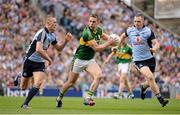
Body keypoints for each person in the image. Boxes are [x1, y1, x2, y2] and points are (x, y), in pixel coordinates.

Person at [56, 14, 116, 108]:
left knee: (99, 75)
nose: (91, 23)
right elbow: (97, 48)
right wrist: (110, 43)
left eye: (94, 22)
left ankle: (88, 98)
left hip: (89, 60)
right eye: (90, 21)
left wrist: (114, 42)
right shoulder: (87, 33)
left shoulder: (99, 30)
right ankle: (59, 98)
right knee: (71, 83)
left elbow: (105, 37)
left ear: (98, 22)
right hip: (79, 60)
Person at [20, 16, 73, 108]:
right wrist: (49, 59)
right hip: (29, 60)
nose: (56, 25)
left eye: (56, 23)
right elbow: (38, 49)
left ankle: (25, 104)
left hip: (39, 62)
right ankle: (18, 78)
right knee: (23, 87)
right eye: (54, 23)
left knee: (38, 82)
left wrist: (65, 41)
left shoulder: (52, 36)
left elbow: (59, 49)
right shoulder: (42, 33)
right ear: (48, 23)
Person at [119, 13, 168, 107]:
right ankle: (160, 99)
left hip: (150, 59)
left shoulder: (148, 31)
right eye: (135, 21)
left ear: (143, 21)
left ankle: (143, 87)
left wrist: (154, 49)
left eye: (139, 21)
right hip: (138, 60)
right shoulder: (130, 30)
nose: (136, 23)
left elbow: (157, 43)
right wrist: (119, 46)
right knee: (150, 77)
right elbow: (122, 36)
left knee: (149, 81)